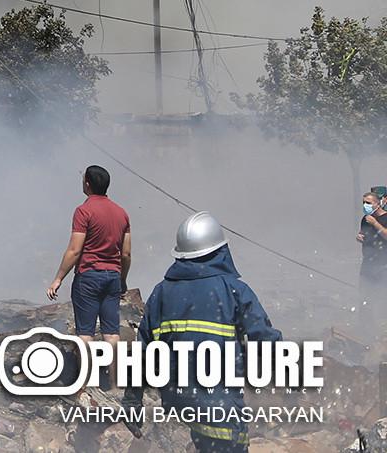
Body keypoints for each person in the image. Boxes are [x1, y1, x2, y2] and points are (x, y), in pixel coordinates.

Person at [125, 210, 279, 450]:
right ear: (219, 252)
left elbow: (142, 352)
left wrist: (132, 401)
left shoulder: (161, 292)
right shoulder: (234, 290)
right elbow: (266, 340)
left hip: (180, 405)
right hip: (221, 405)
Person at [47, 165, 132, 338]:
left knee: (85, 334)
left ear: (87, 184)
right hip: (113, 277)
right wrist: (122, 279)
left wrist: (58, 279)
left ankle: (87, 366)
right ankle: (113, 366)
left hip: (88, 277)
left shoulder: (83, 211)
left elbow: (74, 250)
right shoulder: (121, 213)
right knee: (112, 334)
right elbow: (126, 254)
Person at [356, 185, 387, 285]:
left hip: (383, 266)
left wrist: (375, 223)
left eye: (368, 203)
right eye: (364, 203)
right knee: (365, 295)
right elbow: (363, 234)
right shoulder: (365, 219)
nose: (365, 205)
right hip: (368, 265)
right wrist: (360, 237)